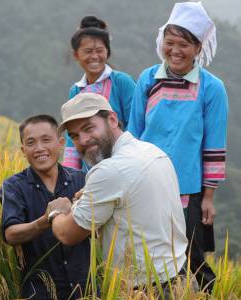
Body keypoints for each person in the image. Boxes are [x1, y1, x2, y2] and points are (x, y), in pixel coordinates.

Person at [127, 1, 228, 293]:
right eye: (169, 43)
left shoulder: (212, 88)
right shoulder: (148, 79)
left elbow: (214, 144)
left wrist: (208, 197)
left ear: (198, 47)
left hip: (189, 187)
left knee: (192, 254)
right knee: (149, 251)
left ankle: (208, 294)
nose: (175, 50)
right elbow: (134, 132)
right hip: (147, 182)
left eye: (184, 44)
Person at [46, 93, 188, 295]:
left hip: (145, 291)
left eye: (88, 128)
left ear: (112, 119)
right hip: (179, 279)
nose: (83, 140)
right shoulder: (153, 152)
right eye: (75, 136)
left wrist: (57, 213)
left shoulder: (109, 171)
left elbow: (68, 234)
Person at [0, 115, 90, 300]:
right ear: (23, 150)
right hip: (40, 292)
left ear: (61, 142)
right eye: (31, 143)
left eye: (46, 140)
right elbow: (10, 234)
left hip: (86, 290)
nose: (40, 148)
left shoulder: (83, 180)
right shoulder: (13, 186)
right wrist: (47, 219)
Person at [63, 15, 136, 171]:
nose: (94, 56)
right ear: (76, 54)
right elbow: (72, 138)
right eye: (88, 51)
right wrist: (71, 175)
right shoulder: (75, 91)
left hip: (123, 167)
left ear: (107, 52)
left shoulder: (122, 82)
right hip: (88, 173)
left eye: (99, 50)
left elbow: (135, 124)